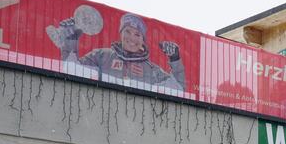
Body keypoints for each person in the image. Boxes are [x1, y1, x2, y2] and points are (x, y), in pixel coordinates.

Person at [50, 13, 185, 91]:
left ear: (143, 40)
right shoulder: (102, 56)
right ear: (120, 34)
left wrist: (175, 58)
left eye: (137, 35)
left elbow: (178, 88)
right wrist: (71, 39)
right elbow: (71, 69)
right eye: (127, 31)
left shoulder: (152, 70)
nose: (132, 38)